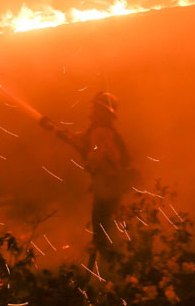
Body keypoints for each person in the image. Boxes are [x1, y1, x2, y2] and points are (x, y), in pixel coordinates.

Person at [40, 91, 134, 267]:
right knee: (103, 225)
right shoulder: (99, 129)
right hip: (106, 185)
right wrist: (54, 128)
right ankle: (107, 264)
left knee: (103, 226)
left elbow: (95, 156)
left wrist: (90, 167)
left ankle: (109, 265)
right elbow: (78, 139)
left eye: (96, 107)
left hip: (107, 185)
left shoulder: (101, 131)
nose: (92, 109)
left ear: (102, 111)